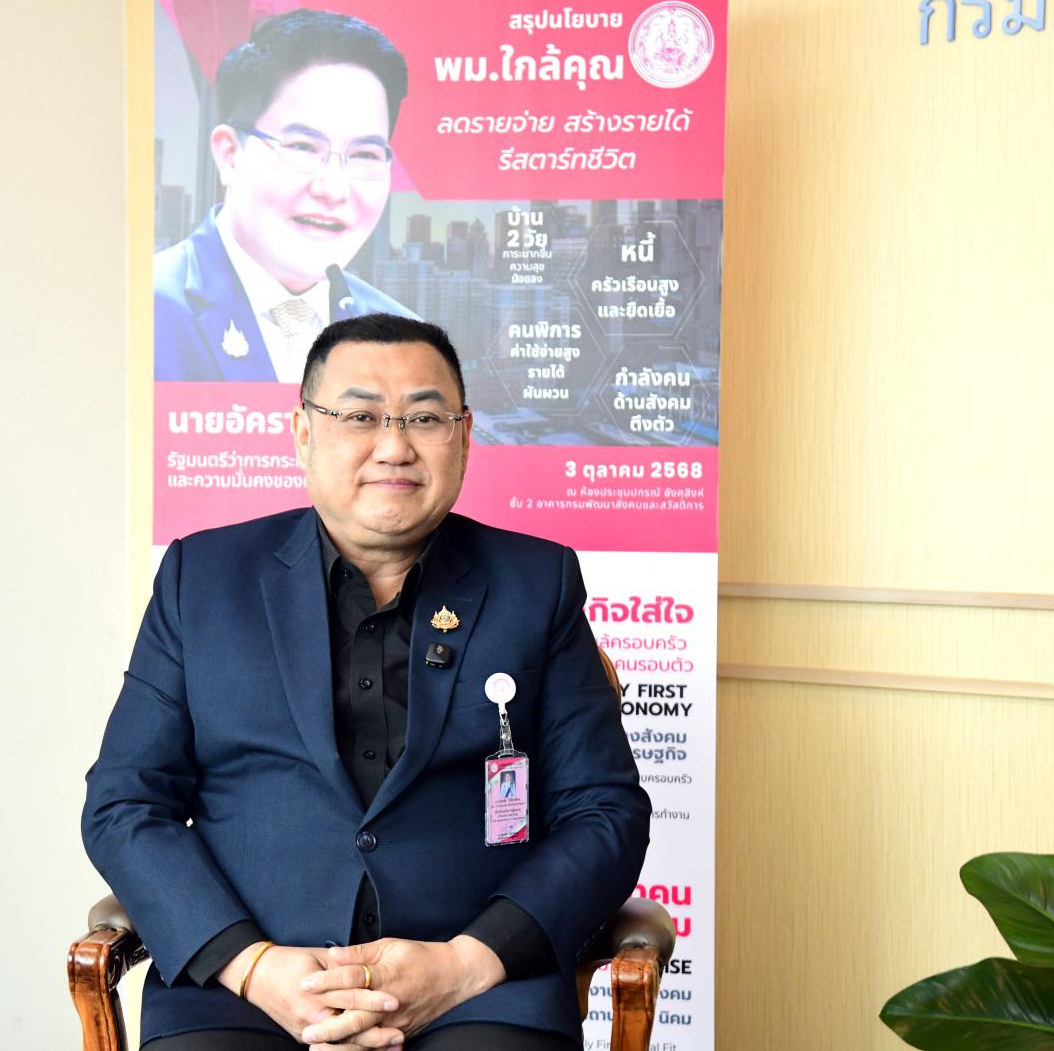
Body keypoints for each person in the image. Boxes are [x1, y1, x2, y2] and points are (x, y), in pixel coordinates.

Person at [84, 314, 650, 1050]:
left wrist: (466, 963)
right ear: (304, 433)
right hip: (244, 992)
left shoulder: (537, 583)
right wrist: (252, 966)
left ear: (465, 436)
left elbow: (604, 811)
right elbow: (126, 803)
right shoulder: (204, 578)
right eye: (360, 417)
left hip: (478, 991)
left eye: (425, 418)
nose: (394, 446)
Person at [155, 10, 416, 383]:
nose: (334, 189)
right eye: (302, 148)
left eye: (364, 155)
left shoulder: (408, 345)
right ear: (230, 154)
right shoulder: (140, 310)